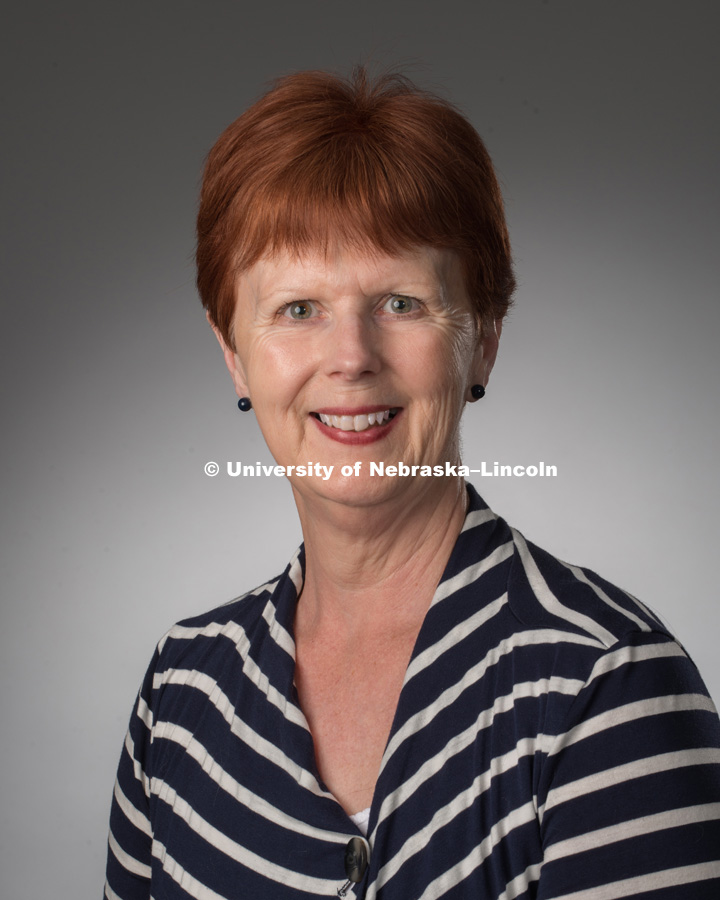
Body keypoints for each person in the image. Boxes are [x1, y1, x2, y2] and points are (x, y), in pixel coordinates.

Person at [104, 68, 720, 900]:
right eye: (296, 309)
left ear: (485, 337)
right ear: (232, 351)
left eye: (399, 302)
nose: (351, 356)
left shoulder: (601, 682)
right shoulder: (183, 692)